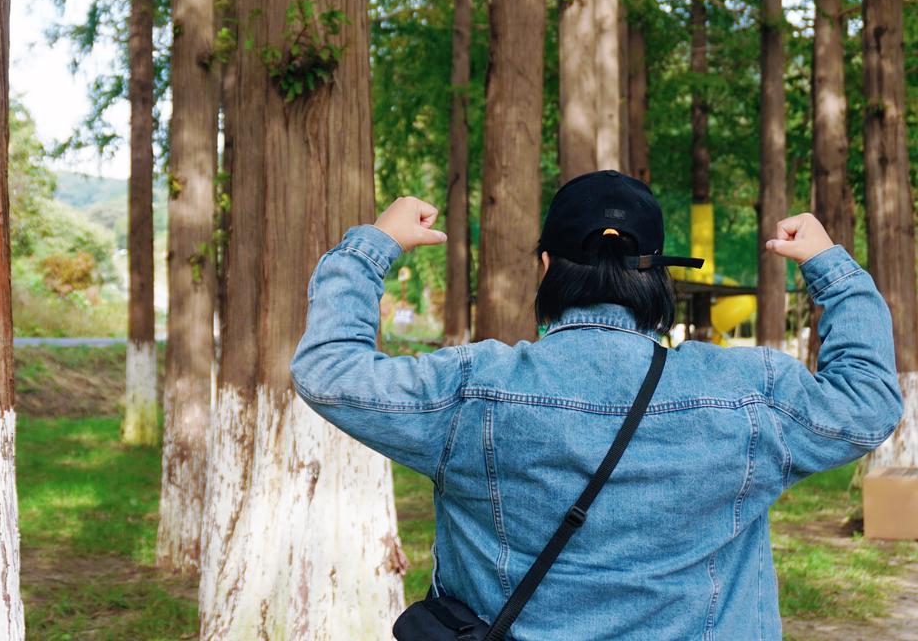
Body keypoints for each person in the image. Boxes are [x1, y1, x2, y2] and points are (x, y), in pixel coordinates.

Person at [290, 170, 903, 640]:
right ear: (659, 276)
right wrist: (832, 269)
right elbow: (869, 401)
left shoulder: (474, 388)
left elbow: (329, 369)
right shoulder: (748, 394)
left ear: (547, 266)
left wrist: (371, 246)